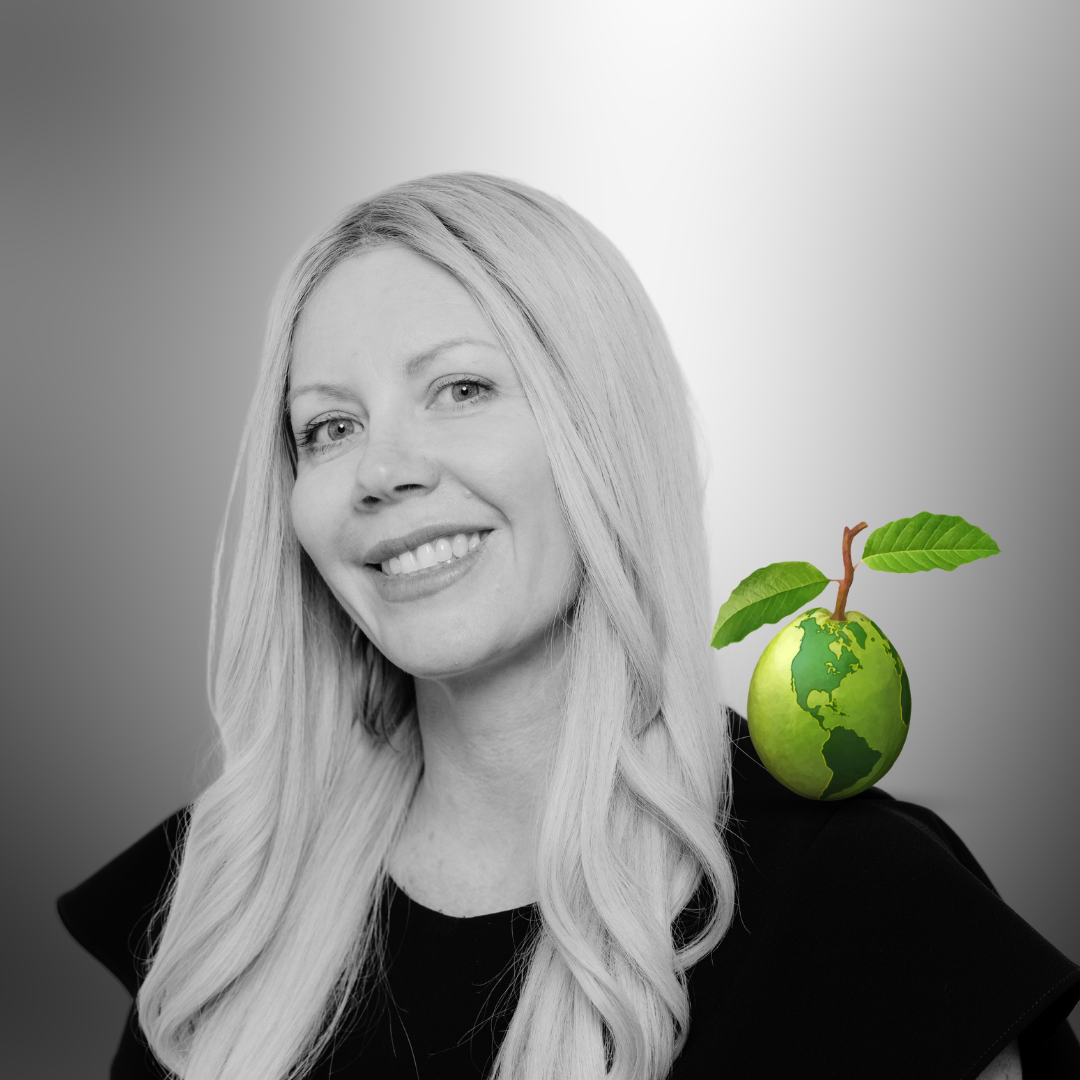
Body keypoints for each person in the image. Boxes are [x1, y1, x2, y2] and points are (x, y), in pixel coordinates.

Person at [58, 174, 1080, 1080]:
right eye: (329, 426)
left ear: (601, 435)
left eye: (460, 389)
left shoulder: (858, 900)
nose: (380, 471)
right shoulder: (233, 890)